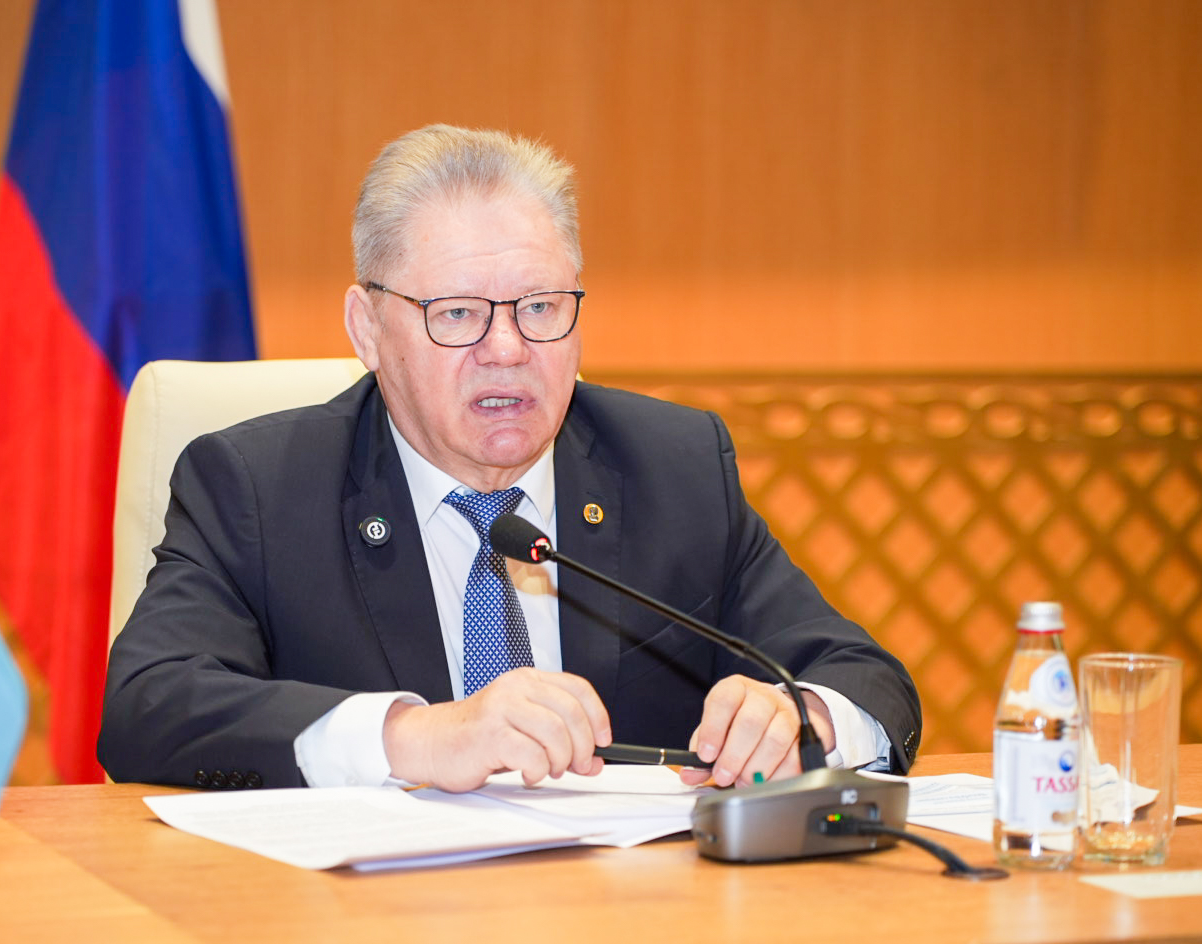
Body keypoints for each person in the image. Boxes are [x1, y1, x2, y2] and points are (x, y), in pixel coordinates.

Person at [100, 124, 920, 793]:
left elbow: (866, 676)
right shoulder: (257, 489)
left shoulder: (674, 469)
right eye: (458, 313)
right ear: (367, 330)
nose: (507, 348)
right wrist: (415, 735)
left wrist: (805, 719)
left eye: (540, 307)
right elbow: (148, 706)